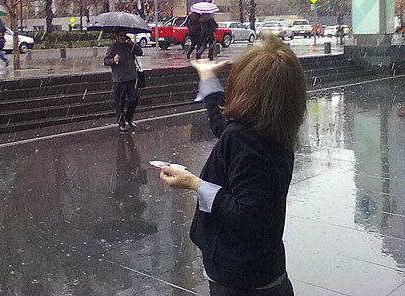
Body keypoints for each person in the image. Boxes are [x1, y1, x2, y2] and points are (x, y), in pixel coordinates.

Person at [160, 34, 307, 296]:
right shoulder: (271, 126)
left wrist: (194, 183)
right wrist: (207, 78)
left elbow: (248, 214)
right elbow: (224, 125)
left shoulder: (245, 138)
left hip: (239, 275)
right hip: (264, 266)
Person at [104, 28, 144, 132]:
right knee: (120, 102)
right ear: (116, 36)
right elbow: (106, 61)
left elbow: (140, 52)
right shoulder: (113, 47)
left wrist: (131, 43)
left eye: (124, 35)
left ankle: (129, 118)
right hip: (119, 79)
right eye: (121, 35)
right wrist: (113, 60)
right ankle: (121, 123)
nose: (123, 37)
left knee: (134, 98)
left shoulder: (129, 46)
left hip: (131, 77)